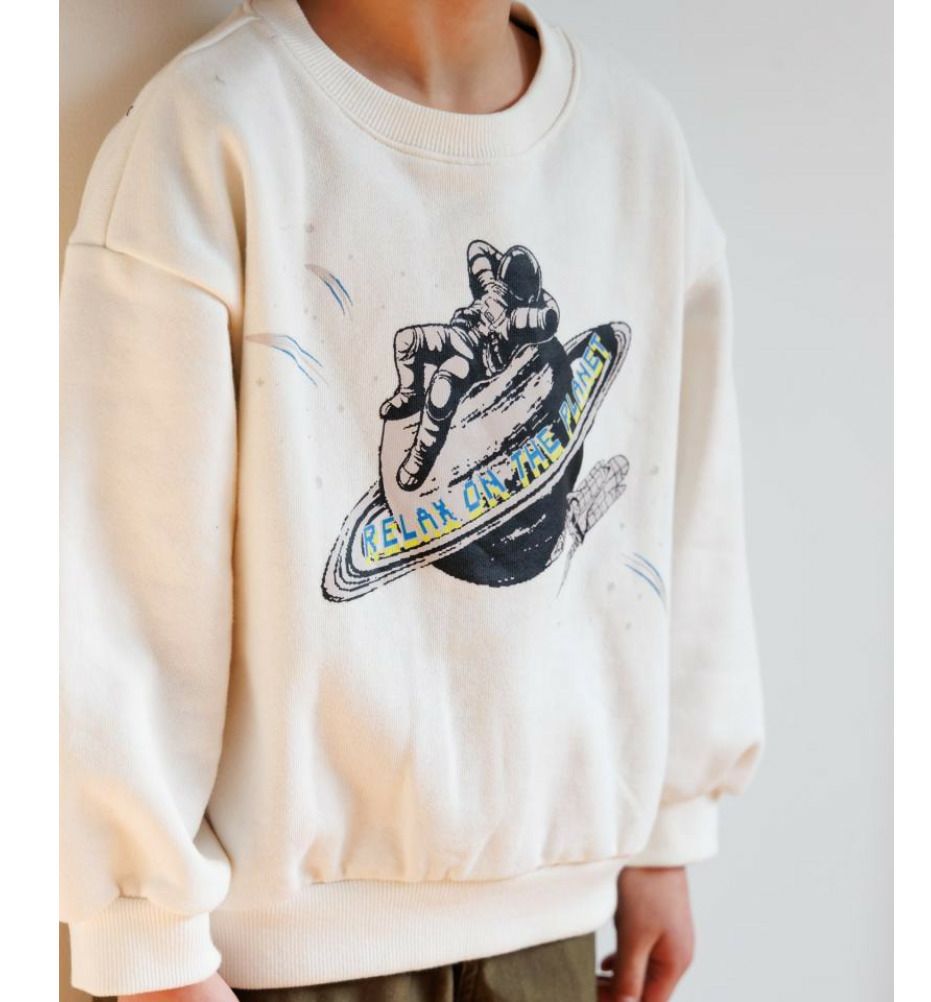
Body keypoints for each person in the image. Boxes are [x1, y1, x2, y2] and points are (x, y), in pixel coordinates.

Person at [59, 2, 764, 1001]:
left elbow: (690, 514)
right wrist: (144, 937)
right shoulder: (220, 128)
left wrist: (668, 827)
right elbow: (121, 577)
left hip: (558, 930)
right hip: (273, 960)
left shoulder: (636, 147)